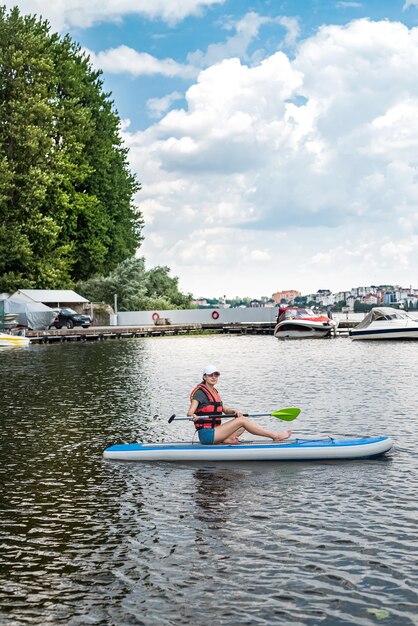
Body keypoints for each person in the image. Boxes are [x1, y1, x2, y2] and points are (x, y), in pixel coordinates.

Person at [188, 364, 292, 446]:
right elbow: (190, 413)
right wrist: (194, 416)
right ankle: (275, 436)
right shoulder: (200, 393)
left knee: (241, 423)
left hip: (216, 431)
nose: (213, 377)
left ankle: (227, 440)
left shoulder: (214, 392)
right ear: (204, 377)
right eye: (210, 375)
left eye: (216, 374)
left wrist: (234, 412)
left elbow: (225, 410)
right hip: (207, 435)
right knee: (242, 421)